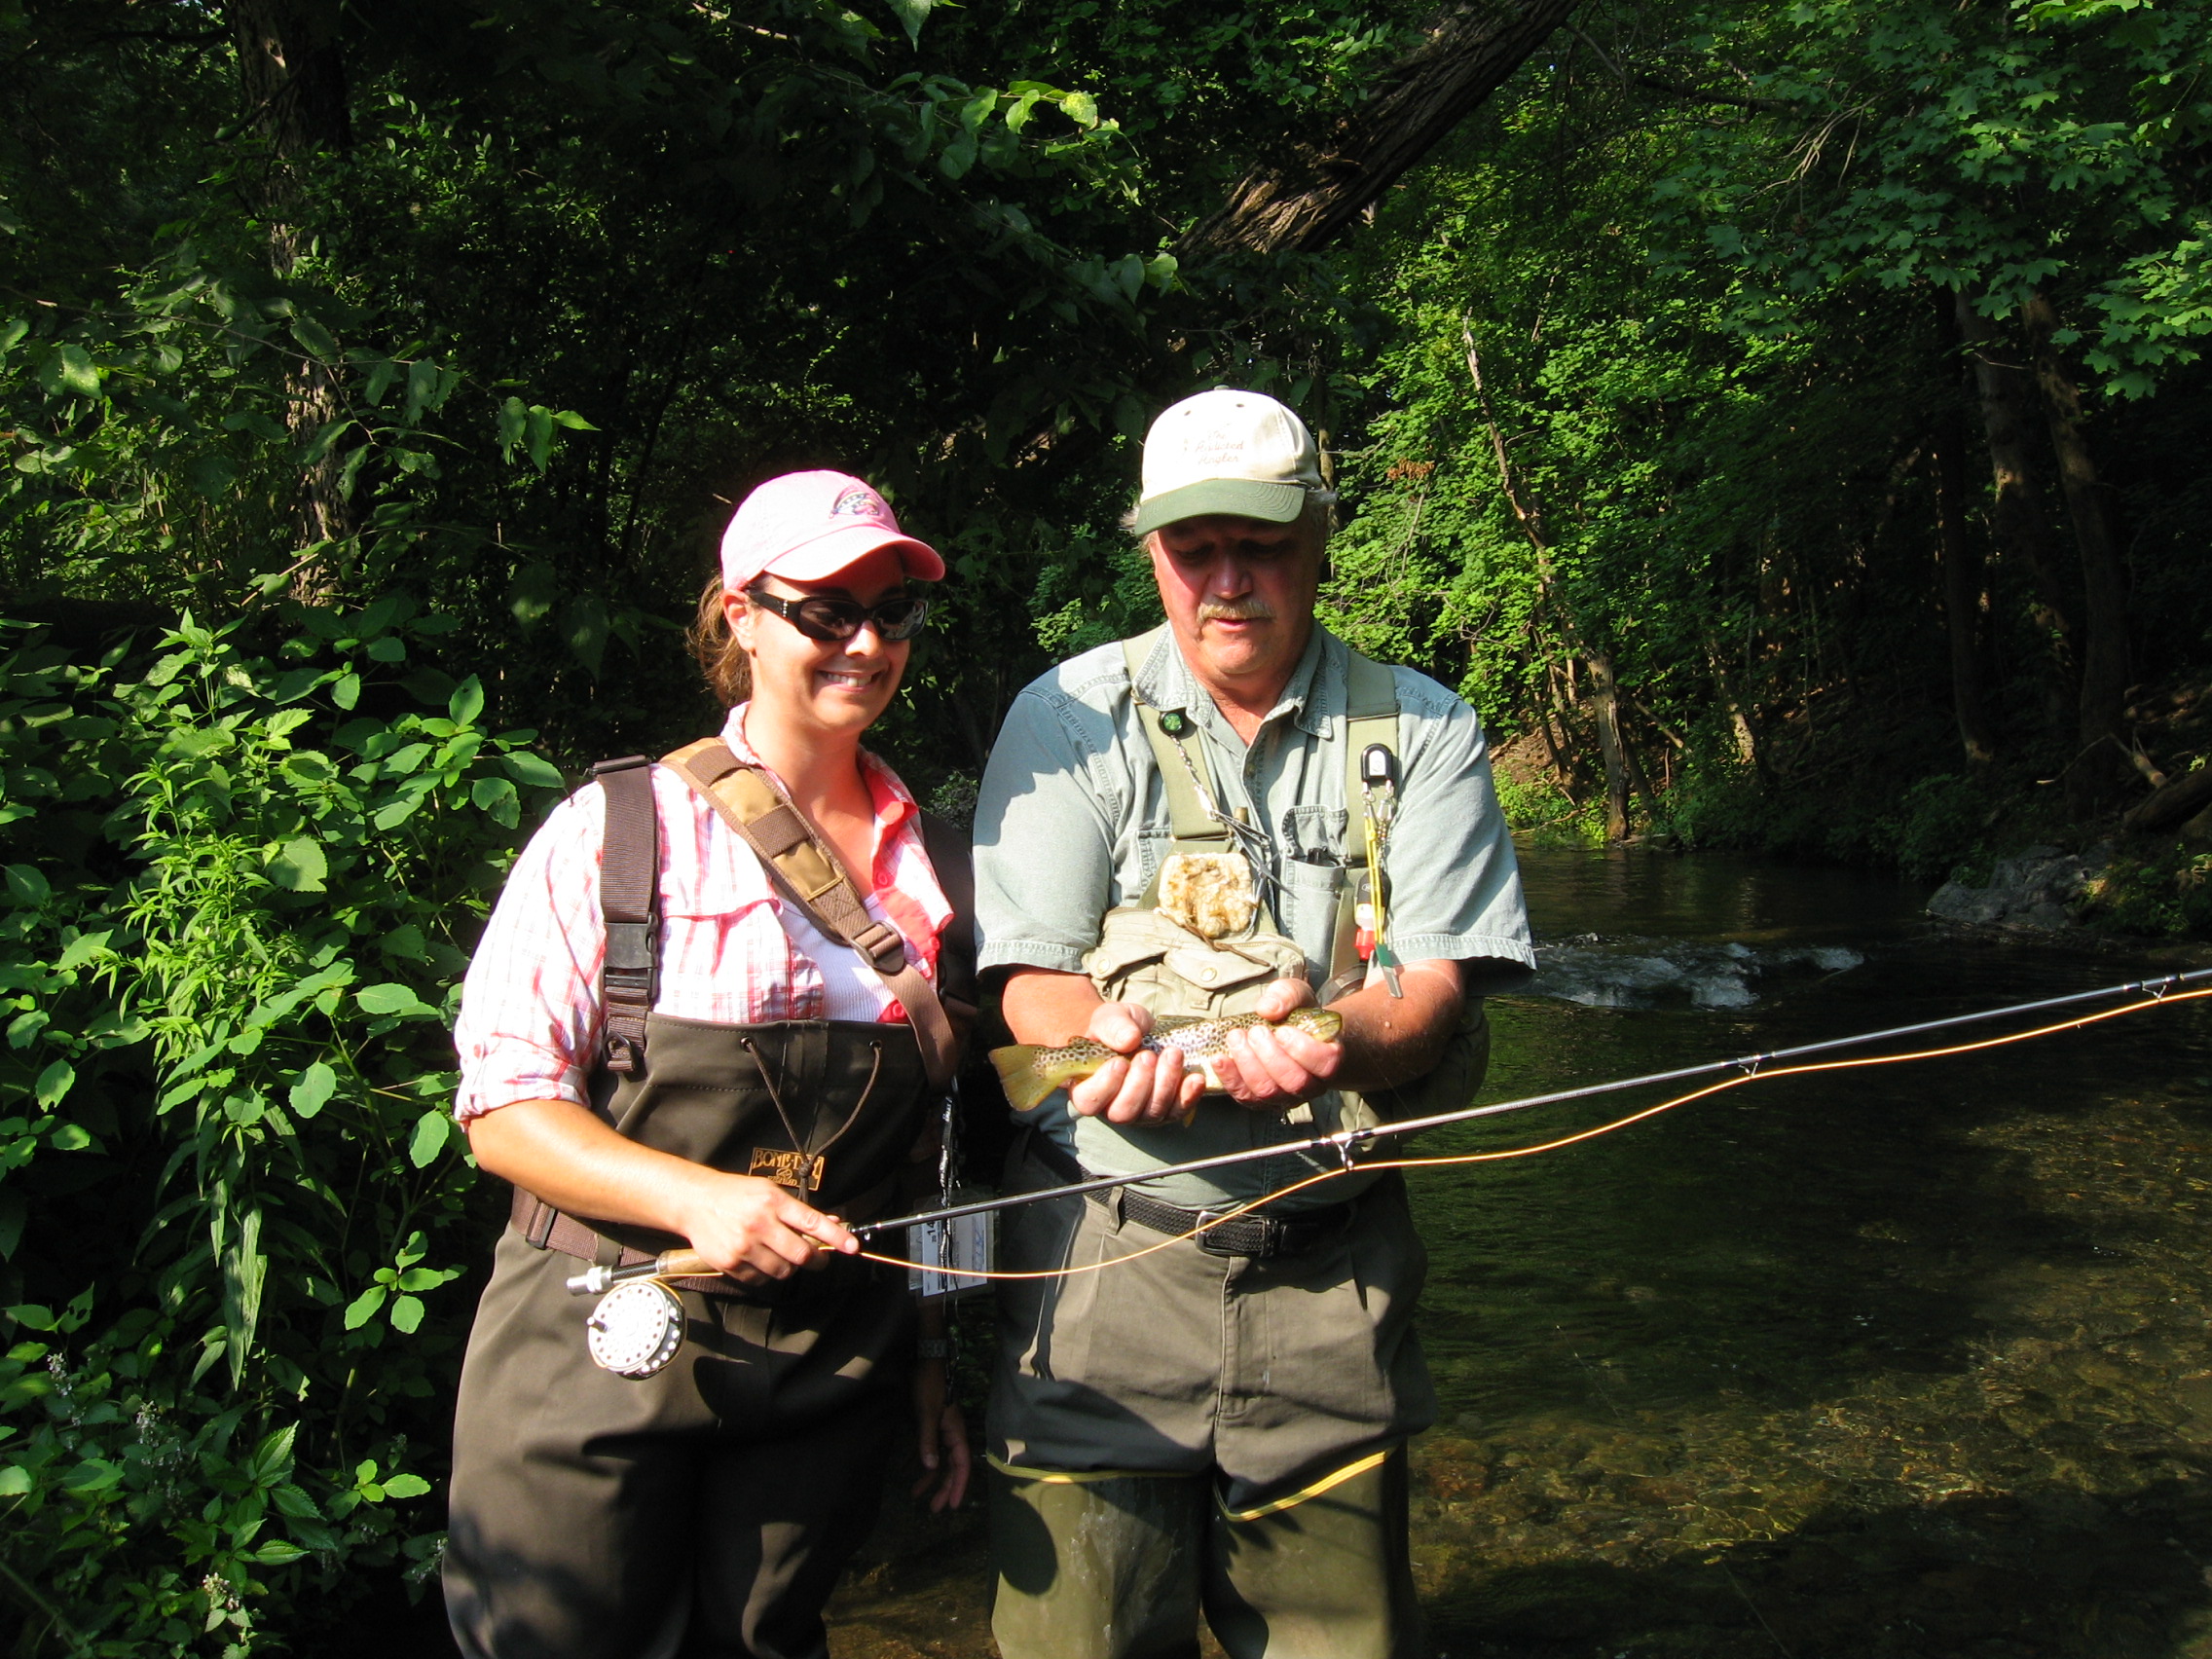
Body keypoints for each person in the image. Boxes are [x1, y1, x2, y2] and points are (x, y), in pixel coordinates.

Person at [972, 388, 1534, 1659]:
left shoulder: (1429, 731)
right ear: (1150, 548)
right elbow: (1033, 990)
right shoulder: (1066, 714)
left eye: (1263, 542)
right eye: (1191, 547)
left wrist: (1331, 1040)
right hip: (1101, 1278)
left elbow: (1431, 991)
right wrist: (1097, 1049)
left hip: (1337, 1285)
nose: (1227, 579)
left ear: (1320, 535)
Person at [443, 470, 973, 1659]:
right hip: (589, 1347)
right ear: (740, 615)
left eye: (892, 613)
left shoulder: (940, 860)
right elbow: (502, 1109)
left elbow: (940, 1162)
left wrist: (932, 1357)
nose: (866, 643)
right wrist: (698, 1200)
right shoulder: (614, 830)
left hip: (832, 1363)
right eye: (824, 613)